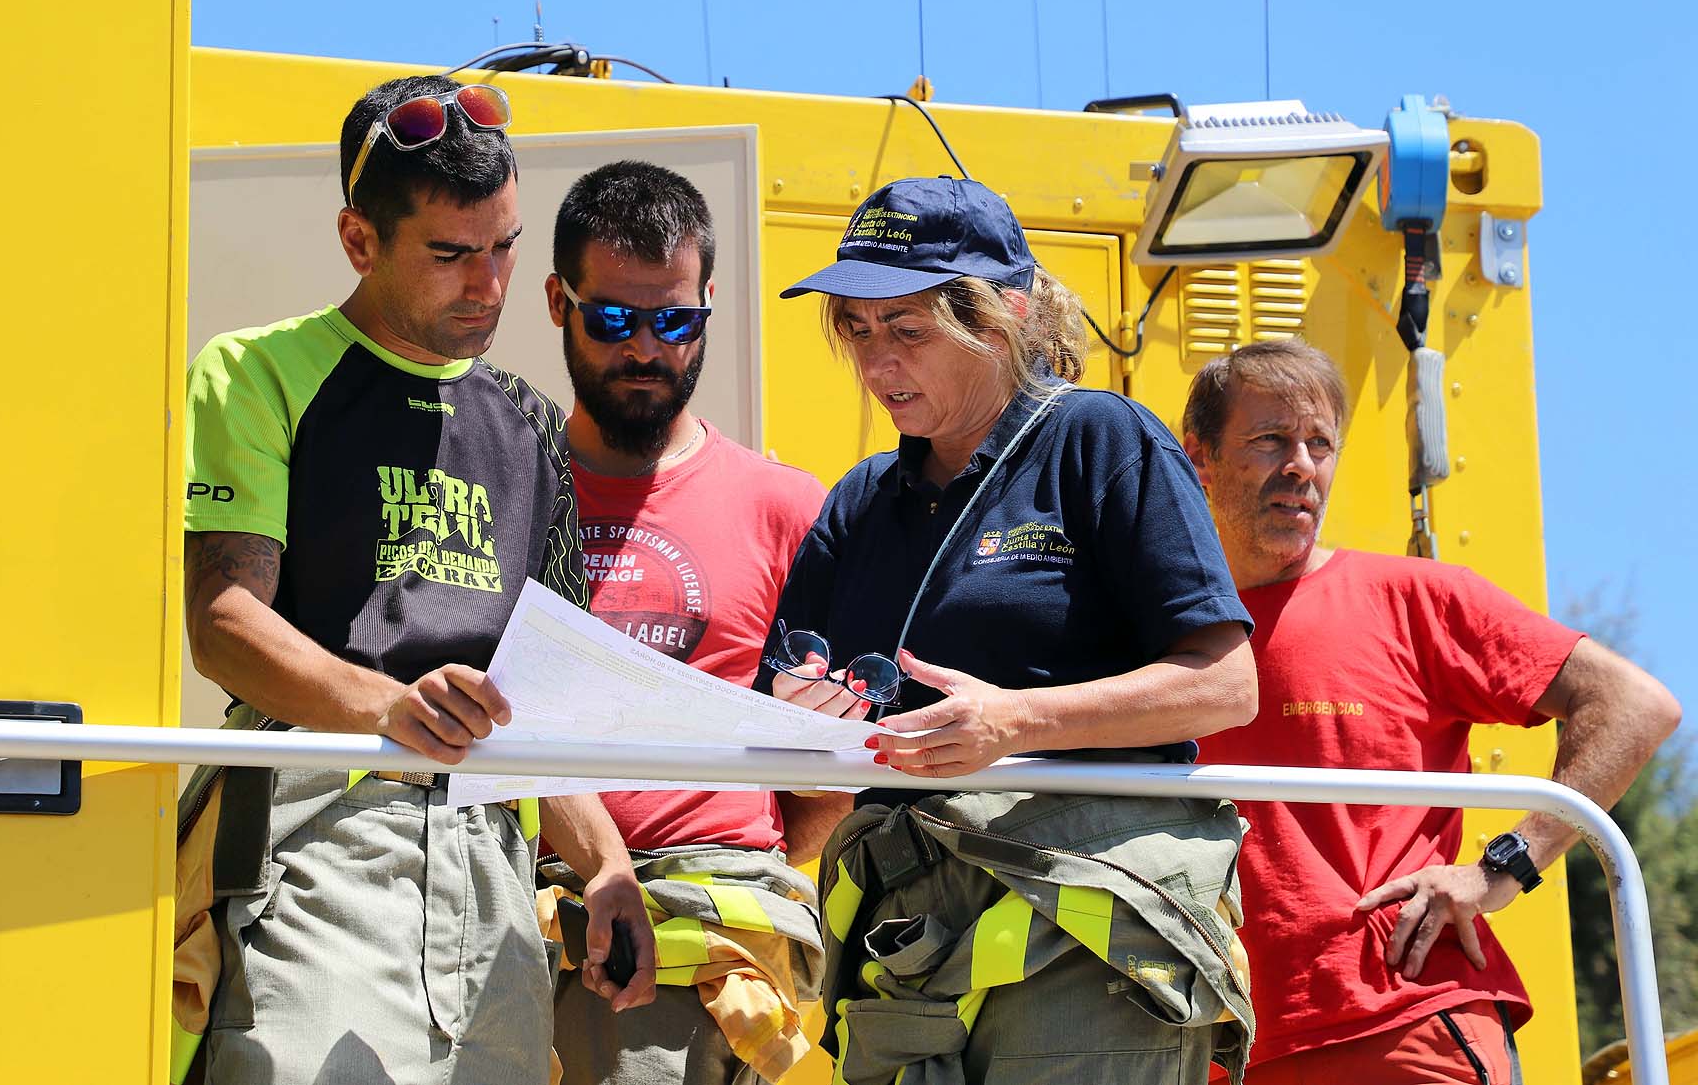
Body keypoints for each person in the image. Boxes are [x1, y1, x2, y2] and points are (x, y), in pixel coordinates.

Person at [181, 75, 655, 1085]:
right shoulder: (256, 371)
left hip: (494, 864)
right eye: (451, 254)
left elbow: (545, 695)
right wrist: (392, 706)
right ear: (359, 240)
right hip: (316, 840)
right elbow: (223, 621)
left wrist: (605, 860)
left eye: (506, 246)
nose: (488, 284)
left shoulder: (530, 424)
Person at [754, 176, 1262, 1084]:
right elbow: (798, 747)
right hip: (905, 944)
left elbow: (1226, 685)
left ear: (1001, 318)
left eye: (907, 330)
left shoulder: (1100, 438)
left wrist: (1017, 726)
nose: (877, 365)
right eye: (857, 331)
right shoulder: (860, 502)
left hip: (1083, 925)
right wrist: (800, 726)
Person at [1181, 339, 1682, 1085]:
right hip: (1215, 1045)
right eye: (1269, 440)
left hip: (1405, 1024)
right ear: (1200, 457)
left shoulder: (1410, 597)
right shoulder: (1152, 636)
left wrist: (1504, 867)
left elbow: (1634, 705)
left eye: (1321, 444)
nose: (1301, 467)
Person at [536, 159, 843, 1085]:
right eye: (613, 320)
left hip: (716, 930)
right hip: (517, 912)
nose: (644, 349)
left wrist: (747, 864)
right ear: (558, 301)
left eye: (674, 321)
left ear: (710, 303)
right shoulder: (503, 490)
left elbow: (836, 742)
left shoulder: (788, 507)